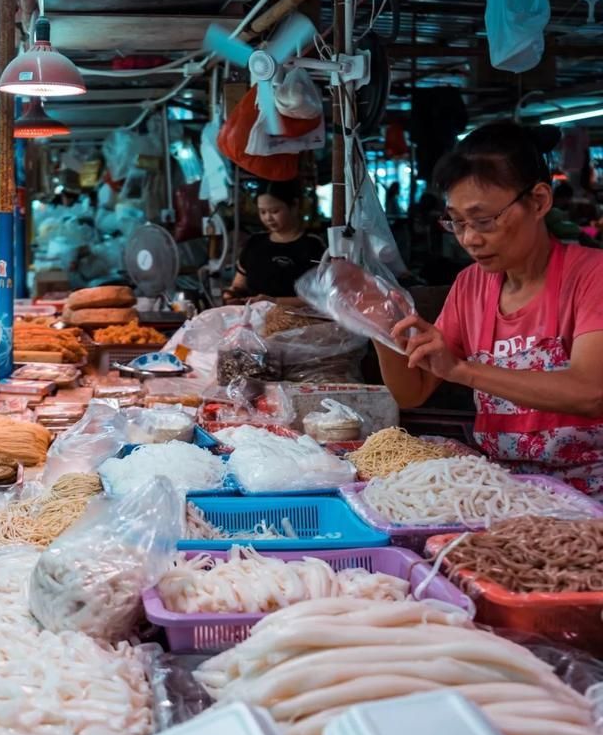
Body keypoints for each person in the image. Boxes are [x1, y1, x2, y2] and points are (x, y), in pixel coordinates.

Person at [374, 121, 603, 497]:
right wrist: (382, 329)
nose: (469, 239)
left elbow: (590, 391)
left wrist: (464, 371)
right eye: (457, 222)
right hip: (500, 492)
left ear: (540, 201)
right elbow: (412, 392)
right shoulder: (470, 285)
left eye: (483, 221)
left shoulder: (592, 276)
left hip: (590, 494)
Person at [222, 179, 324, 306]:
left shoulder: (312, 245)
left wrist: (274, 302)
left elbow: (320, 298)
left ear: (294, 205)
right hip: (253, 317)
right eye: (262, 212)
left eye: (275, 211)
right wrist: (230, 295)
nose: (268, 218)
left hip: (297, 320)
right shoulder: (254, 243)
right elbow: (238, 286)